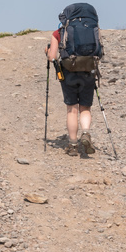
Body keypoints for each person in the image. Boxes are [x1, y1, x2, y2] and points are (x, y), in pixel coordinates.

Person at [45, 29, 96, 157]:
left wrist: (47, 52)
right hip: (88, 71)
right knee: (85, 107)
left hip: (68, 73)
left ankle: (73, 145)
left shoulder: (59, 32)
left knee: (72, 109)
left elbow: (52, 57)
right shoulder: (91, 29)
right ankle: (85, 133)